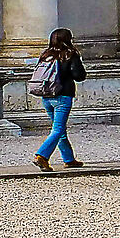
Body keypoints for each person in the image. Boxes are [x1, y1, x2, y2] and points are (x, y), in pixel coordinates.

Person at [29, 27, 87, 173]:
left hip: (46, 95)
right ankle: (42, 155)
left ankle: (69, 159)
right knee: (58, 129)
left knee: (59, 128)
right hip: (63, 95)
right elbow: (79, 75)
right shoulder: (70, 54)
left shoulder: (46, 55)